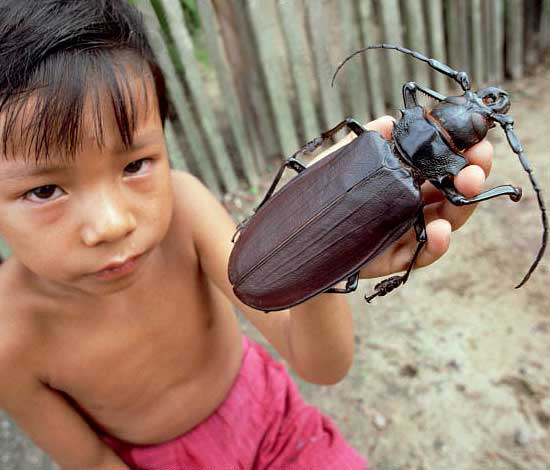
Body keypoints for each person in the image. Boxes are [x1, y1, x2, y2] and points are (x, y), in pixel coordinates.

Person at [0, 1, 493, 469]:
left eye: (135, 164)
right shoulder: (9, 338)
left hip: (276, 423)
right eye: (45, 190)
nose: (112, 223)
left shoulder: (184, 211)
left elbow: (322, 365)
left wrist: (327, 242)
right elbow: (88, 461)